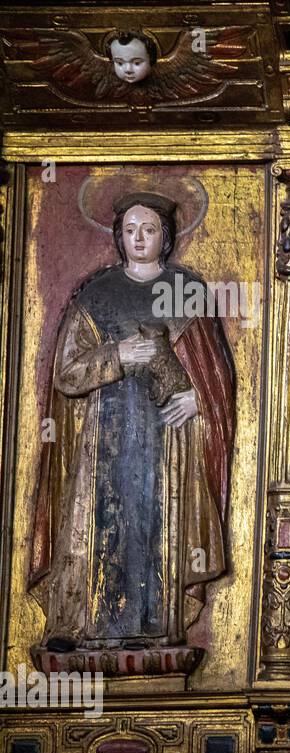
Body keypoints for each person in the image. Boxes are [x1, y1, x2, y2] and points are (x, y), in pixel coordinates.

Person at [29, 191, 235, 651]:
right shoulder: (96, 295)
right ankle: (83, 626)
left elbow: (214, 374)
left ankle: (156, 627)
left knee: (155, 525)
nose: (139, 238)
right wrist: (118, 354)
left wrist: (198, 401)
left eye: (149, 230)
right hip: (103, 438)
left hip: (167, 442)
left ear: (165, 237)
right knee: (102, 522)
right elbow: (66, 372)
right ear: (120, 238)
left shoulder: (187, 292)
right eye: (130, 230)